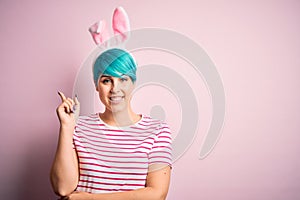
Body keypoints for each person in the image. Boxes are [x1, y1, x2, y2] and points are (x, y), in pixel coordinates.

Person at [50, 48, 172, 200]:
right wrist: (67, 127)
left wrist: (90, 199)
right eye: (107, 80)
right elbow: (62, 188)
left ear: (133, 83)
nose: (115, 89)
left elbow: (157, 194)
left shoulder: (158, 131)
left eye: (123, 79)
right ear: (96, 85)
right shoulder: (77, 126)